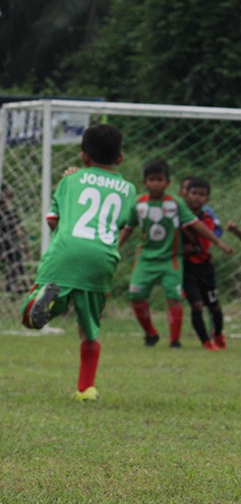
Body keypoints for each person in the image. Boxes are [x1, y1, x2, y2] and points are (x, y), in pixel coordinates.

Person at [21, 124, 138, 402]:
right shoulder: (129, 189)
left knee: (43, 308)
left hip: (65, 251)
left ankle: (39, 306)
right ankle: (86, 388)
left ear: (84, 157)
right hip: (102, 258)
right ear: (120, 159)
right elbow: (128, 223)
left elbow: (52, 221)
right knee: (89, 327)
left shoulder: (70, 180)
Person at [117, 159, 232, 348]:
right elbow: (128, 227)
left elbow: (195, 224)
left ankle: (175, 340)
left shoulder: (176, 203)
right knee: (135, 295)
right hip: (146, 258)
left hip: (172, 259)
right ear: (145, 182)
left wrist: (218, 242)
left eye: (159, 180)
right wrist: (115, 247)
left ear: (167, 183)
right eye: (151, 180)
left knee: (174, 297)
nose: (155, 184)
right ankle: (151, 333)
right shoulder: (138, 203)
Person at [180, 177, 231, 350]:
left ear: (207, 199)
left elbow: (205, 241)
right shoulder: (176, 216)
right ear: (185, 195)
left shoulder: (207, 218)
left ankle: (218, 334)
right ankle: (206, 342)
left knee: (214, 306)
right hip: (187, 268)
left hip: (205, 268)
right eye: (194, 193)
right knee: (196, 304)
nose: (197, 198)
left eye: (202, 195)